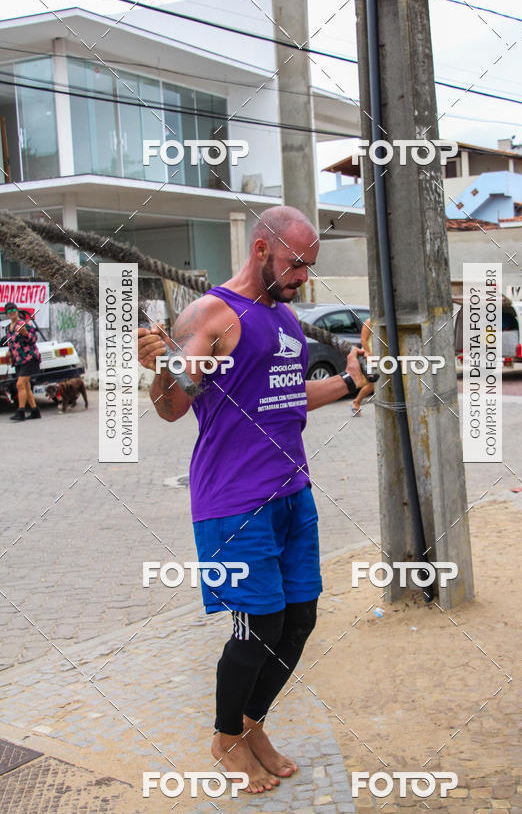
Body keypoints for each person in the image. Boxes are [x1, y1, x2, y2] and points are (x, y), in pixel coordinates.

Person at [137, 206, 367, 794]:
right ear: (262, 249)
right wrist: (161, 368)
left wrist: (350, 382)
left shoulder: (285, 318)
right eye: (296, 264)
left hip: (294, 493)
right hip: (234, 502)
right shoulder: (214, 314)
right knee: (257, 624)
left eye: (310, 267)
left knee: (301, 618)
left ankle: (249, 723)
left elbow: (288, 397)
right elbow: (171, 405)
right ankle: (225, 737)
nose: (303, 278)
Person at [4, 302, 42, 422]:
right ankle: (35, 411)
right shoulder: (8, 328)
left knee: (20, 384)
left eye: (13, 310)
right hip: (19, 360)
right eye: (9, 311)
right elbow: (12, 344)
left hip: (29, 358)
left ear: (17, 311)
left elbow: (33, 339)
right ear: (7, 314)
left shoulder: (24, 324)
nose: (12, 313)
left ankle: (21, 412)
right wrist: (9, 352)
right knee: (26, 385)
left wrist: (26, 334)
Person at [351, 317, 375, 416]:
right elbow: (363, 340)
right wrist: (369, 355)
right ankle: (356, 402)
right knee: (371, 384)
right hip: (369, 357)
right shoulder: (369, 321)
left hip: (382, 357)